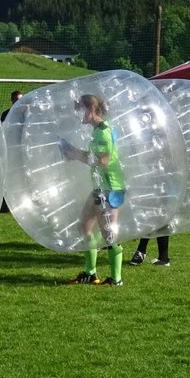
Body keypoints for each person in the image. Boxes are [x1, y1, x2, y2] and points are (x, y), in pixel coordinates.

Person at [61, 93, 126, 287]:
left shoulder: (103, 132)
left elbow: (103, 161)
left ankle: (116, 279)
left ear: (91, 109)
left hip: (110, 188)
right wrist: (73, 153)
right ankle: (90, 273)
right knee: (84, 226)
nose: (78, 114)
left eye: (80, 109)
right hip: (100, 187)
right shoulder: (98, 130)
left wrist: (75, 153)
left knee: (109, 233)